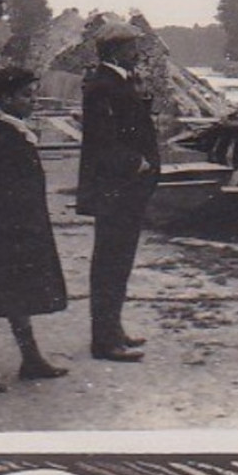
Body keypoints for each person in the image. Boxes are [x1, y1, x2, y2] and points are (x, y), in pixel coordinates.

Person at [0, 66, 70, 392]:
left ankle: (31, 359)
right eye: (26, 95)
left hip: (24, 228)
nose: (33, 100)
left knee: (18, 291)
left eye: (34, 93)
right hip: (5, 230)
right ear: (5, 99)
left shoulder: (18, 134)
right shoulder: (3, 140)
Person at [76, 21, 160, 361]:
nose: (137, 51)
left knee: (119, 260)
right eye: (132, 46)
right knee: (110, 262)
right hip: (116, 187)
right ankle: (104, 340)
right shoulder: (102, 86)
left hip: (126, 188)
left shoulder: (119, 81)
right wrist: (134, 162)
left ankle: (113, 329)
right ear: (116, 49)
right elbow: (102, 138)